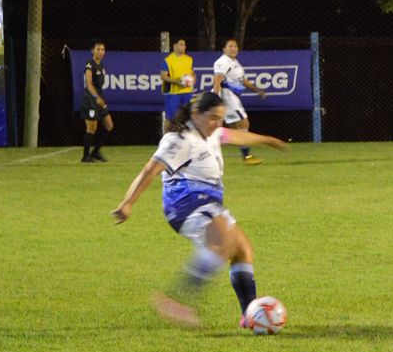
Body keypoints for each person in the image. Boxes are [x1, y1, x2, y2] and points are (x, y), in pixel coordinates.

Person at [111, 91, 287, 327]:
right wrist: (128, 202)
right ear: (196, 114)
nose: (218, 123)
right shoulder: (180, 139)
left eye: (221, 118)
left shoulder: (212, 132)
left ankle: (249, 314)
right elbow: (150, 170)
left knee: (243, 249)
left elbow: (235, 136)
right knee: (222, 243)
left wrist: (266, 139)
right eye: (213, 117)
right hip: (186, 203)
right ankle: (177, 299)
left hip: (208, 202)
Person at [212, 39, 268, 164]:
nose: (233, 48)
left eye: (235, 46)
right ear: (224, 49)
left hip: (232, 97)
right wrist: (216, 99)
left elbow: (243, 80)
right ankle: (246, 157)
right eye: (230, 46)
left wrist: (257, 90)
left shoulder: (234, 62)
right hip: (226, 97)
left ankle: (213, 146)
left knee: (232, 127)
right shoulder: (223, 62)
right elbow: (217, 81)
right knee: (243, 124)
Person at [81, 41, 112, 163]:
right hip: (90, 100)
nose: (100, 52)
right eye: (98, 49)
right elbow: (88, 84)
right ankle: (85, 156)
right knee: (91, 129)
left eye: (102, 50)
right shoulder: (90, 64)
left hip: (99, 99)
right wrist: (96, 97)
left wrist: (100, 98)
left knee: (109, 125)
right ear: (92, 51)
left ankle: (96, 152)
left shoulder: (101, 65)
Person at [161, 37, 196, 134]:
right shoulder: (168, 60)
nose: (184, 47)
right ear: (175, 46)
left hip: (187, 92)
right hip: (173, 93)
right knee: (171, 117)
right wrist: (177, 82)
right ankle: (167, 137)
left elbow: (192, 73)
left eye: (184, 44)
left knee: (188, 116)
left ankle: (187, 137)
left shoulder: (189, 59)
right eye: (181, 44)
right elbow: (163, 76)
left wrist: (193, 78)